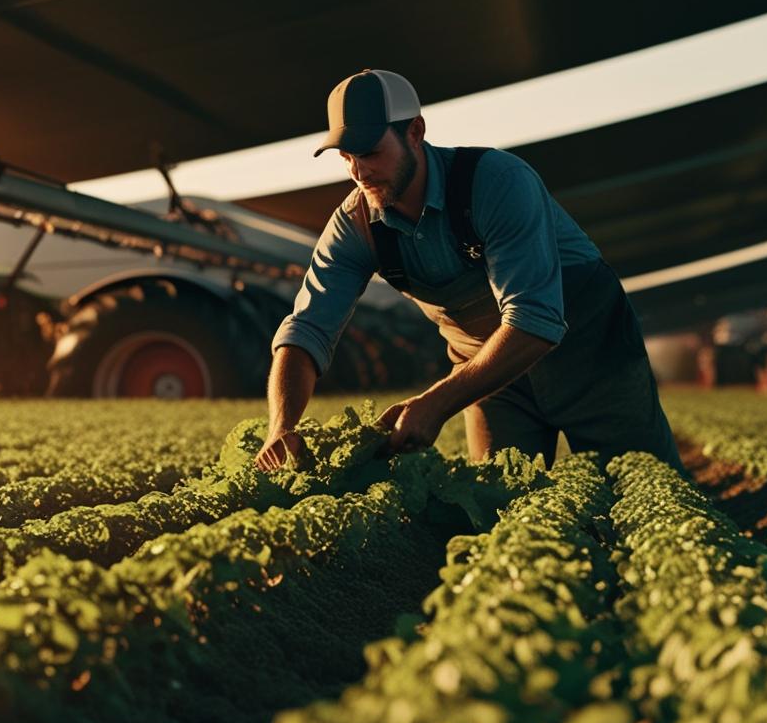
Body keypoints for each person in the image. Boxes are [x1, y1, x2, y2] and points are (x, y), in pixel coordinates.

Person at [253, 69, 682, 473]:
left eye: (370, 153)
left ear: (415, 132)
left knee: (646, 486)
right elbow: (307, 331)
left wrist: (434, 403)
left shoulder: (497, 182)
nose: (359, 172)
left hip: (591, 357)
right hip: (490, 378)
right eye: (346, 156)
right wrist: (281, 428)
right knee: (502, 512)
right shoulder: (355, 225)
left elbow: (535, 320)